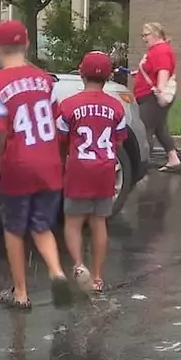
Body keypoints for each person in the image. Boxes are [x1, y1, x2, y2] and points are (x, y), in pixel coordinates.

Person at [0, 20, 72, 309]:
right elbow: (57, 121)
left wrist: (0, 154)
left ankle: (20, 292)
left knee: (13, 227)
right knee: (42, 225)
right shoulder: (45, 79)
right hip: (48, 160)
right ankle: (57, 272)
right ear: (28, 43)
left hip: (18, 161)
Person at [58, 51, 129, 293]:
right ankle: (97, 276)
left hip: (78, 168)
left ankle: (79, 266)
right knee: (99, 222)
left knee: (73, 222)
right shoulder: (116, 107)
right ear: (108, 77)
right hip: (105, 168)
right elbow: (118, 141)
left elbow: (61, 138)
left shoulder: (68, 105)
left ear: (80, 73)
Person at [133, 22, 181, 173]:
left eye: (146, 35)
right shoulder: (156, 50)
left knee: (145, 128)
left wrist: (159, 91)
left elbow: (163, 71)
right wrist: (139, 73)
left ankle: (142, 165)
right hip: (150, 95)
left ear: (156, 34)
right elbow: (154, 69)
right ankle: (173, 159)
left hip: (152, 96)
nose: (143, 38)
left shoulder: (160, 50)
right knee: (160, 128)